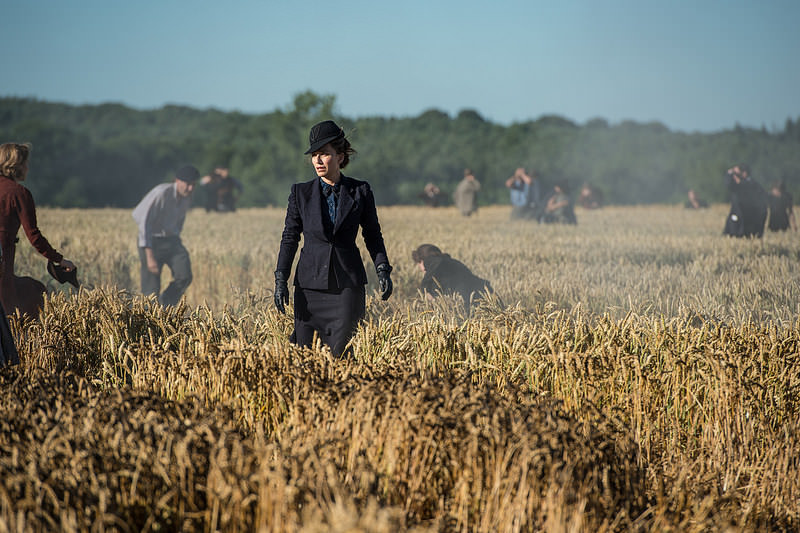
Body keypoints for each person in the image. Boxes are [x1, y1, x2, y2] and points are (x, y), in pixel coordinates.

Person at [274, 120, 393, 358]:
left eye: (324, 154)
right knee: (306, 356)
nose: (317, 161)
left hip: (347, 286)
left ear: (340, 157)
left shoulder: (361, 191)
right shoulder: (300, 193)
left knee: (344, 352)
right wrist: (280, 279)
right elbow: (290, 238)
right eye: (314, 155)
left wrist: (382, 268)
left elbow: (372, 233)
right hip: (309, 287)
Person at [0, 142, 76, 318]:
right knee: (34, 294)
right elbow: (34, 236)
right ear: (15, 165)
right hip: (2, 262)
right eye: (25, 163)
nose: (27, 168)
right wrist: (60, 260)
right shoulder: (19, 193)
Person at [132, 165, 199, 306]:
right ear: (177, 181)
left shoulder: (188, 197)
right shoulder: (161, 193)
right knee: (150, 290)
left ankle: (164, 307)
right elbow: (143, 221)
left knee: (185, 276)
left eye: (193, 185)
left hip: (172, 240)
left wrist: (176, 236)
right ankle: (149, 317)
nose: (191, 188)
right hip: (151, 242)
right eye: (188, 184)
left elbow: (180, 220)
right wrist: (149, 256)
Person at [411, 244, 493, 310]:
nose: (421, 269)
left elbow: (426, 286)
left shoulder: (431, 260)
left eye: (419, 263)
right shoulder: (451, 262)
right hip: (484, 293)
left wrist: (425, 288)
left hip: (468, 300)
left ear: (421, 260)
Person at [723, 165, 768, 238]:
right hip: (741, 217)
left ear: (744, 173)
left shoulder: (751, 184)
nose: (735, 177)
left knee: (740, 235)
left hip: (746, 218)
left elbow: (732, 185)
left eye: (737, 174)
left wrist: (729, 174)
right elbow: (729, 184)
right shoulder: (750, 184)